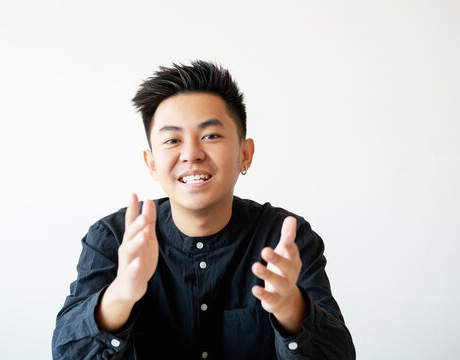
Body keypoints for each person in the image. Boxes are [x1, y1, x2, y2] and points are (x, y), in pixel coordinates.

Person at [52, 60, 355, 359]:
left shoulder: (285, 240)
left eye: (210, 136)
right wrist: (120, 295)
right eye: (172, 140)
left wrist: (290, 308)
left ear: (245, 154)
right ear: (152, 163)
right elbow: (66, 353)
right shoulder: (114, 238)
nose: (191, 154)